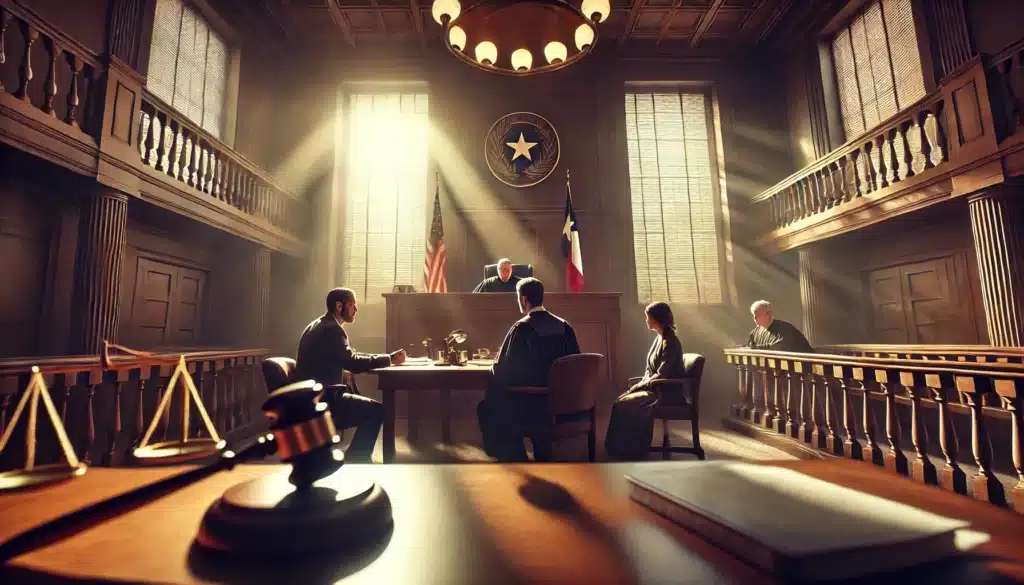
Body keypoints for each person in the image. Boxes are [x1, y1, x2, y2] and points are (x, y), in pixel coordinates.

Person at [295, 287, 407, 462]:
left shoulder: (320, 324)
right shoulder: (332, 329)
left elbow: (345, 358)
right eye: (352, 305)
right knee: (377, 411)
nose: (356, 309)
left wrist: (344, 368)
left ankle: (355, 457)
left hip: (312, 397)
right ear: (339, 306)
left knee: (370, 407)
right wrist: (390, 359)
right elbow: (352, 361)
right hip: (324, 399)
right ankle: (356, 460)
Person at [477, 277, 580, 461]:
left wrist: (494, 366)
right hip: (564, 404)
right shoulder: (566, 327)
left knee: (488, 406)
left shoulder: (522, 328)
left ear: (523, 299)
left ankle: (515, 456)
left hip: (530, 405)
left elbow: (504, 370)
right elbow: (575, 365)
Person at [604, 302, 685, 460]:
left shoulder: (671, 342)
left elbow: (662, 373)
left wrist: (638, 387)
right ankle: (621, 447)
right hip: (653, 388)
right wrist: (640, 386)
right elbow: (650, 369)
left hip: (666, 392)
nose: (647, 321)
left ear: (657, 319)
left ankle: (631, 448)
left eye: (649, 318)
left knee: (624, 403)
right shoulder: (659, 338)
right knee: (620, 402)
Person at [745, 300, 814, 353]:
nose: (755, 318)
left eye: (757, 315)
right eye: (754, 315)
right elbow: (749, 347)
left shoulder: (785, 328)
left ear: (768, 314)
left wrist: (756, 348)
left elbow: (780, 347)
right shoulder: (754, 333)